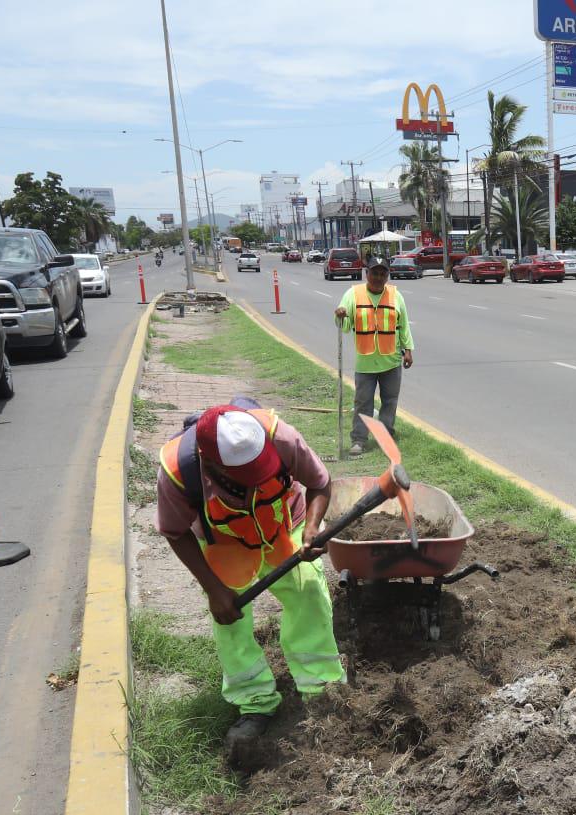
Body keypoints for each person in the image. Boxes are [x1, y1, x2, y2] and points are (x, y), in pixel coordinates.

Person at [156, 401, 345, 763]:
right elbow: (174, 531)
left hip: (282, 525)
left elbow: (320, 482)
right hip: (224, 542)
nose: (258, 478)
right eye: (247, 476)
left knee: (307, 590)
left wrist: (311, 528)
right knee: (230, 616)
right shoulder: (178, 471)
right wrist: (214, 590)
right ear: (210, 464)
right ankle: (254, 702)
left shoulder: (281, 438)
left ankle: (321, 689)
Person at [333, 257, 414, 455]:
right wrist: (341, 314)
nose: (378, 277)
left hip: (391, 359)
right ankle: (359, 440)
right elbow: (343, 325)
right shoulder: (353, 294)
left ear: (387, 275)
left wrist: (408, 350)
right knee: (363, 402)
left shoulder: (396, 295)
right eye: (374, 273)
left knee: (390, 401)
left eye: (382, 273)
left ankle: (385, 435)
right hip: (365, 361)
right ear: (366, 273)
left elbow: (403, 325)